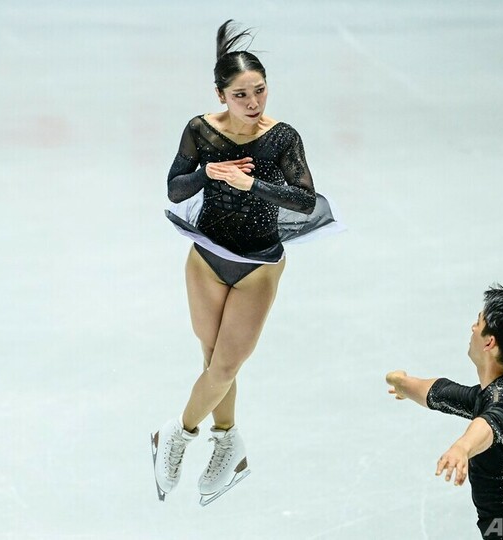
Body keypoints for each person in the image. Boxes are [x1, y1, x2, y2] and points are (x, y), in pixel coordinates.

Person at [151, 20, 341, 506]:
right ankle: (228, 442)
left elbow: (305, 200)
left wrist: (252, 184)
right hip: (207, 257)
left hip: (258, 264)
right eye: (241, 94)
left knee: (227, 364)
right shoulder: (200, 130)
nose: (253, 102)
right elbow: (174, 189)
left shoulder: (281, 138)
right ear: (221, 95)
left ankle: (176, 434)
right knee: (214, 361)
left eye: (260, 90)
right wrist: (208, 173)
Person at [385, 285, 503, 539]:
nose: (472, 328)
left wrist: (462, 447)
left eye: (478, 323)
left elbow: (490, 423)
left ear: (489, 342)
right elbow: (442, 393)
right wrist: (403, 384)